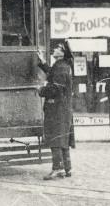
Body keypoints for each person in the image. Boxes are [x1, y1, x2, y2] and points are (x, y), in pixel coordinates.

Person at [37, 43, 75, 180]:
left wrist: (41, 90)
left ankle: (57, 169)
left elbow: (55, 89)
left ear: (62, 53)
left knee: (56, 138)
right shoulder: (62, 66)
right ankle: (67, 168)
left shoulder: (60, 68)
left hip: (56, 109)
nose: (54, 49)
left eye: (57, 48)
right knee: (62, 138)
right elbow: (52, 73)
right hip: (63, 109)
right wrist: (43, 63)